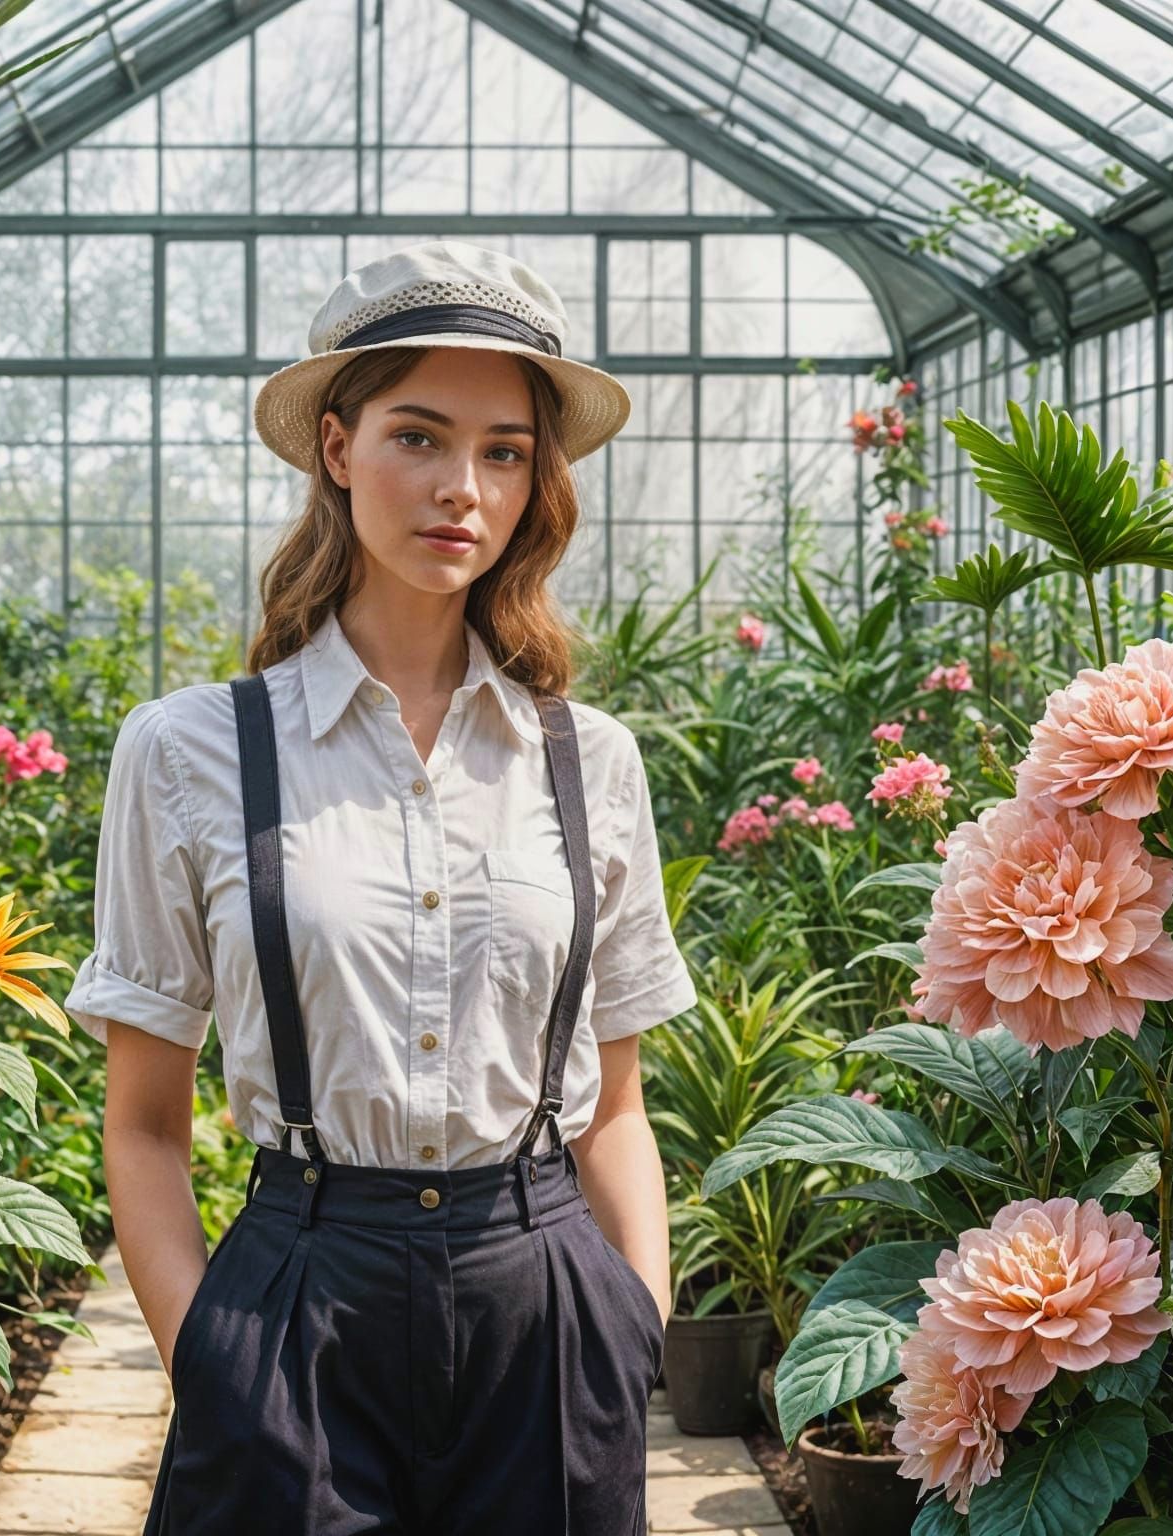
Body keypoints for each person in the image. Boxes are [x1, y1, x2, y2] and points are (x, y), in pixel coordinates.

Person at [63, 238, 699, 1535]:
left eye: (505, 450)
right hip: (298, 1292)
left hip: (545, 1298)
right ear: (336, 447)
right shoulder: (189, 752)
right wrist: (215, 1363)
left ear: (537, 480)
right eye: (419, 436)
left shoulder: (591, 761)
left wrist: (633, 1327)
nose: (461, 487)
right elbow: (144, 1125)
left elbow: (615, 1108)